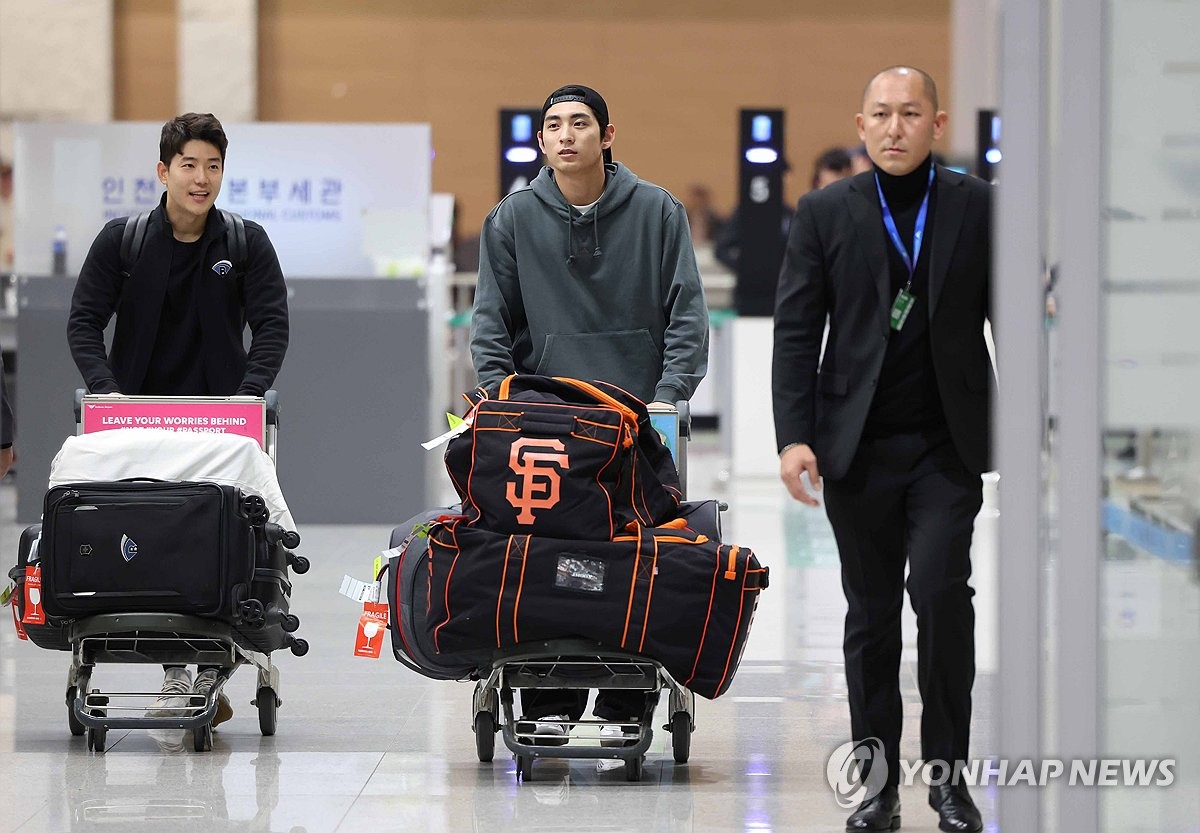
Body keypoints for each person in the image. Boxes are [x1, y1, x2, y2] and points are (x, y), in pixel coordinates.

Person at [772, 67, 992, 833]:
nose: (895, 127)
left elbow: (1013, 326)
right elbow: (798, 331)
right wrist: (794, 435)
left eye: (910, 113)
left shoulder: (978, 206)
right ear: (861, 125)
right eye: (881, 115)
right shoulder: (826, 211)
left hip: (947, 447)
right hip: (857, 447)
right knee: (870, 615)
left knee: (939, 595)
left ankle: (950, 780)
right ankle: (876, 785)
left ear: (937, 124)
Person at [471, 83, 708, 745]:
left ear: (607, 136)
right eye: (554, 125)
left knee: (631, 555)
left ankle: (628, 693)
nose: (566, 134)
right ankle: (553, 686)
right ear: (541, 141)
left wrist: (669, 394)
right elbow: (492, 322)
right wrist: (502, 397)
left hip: (637, 422)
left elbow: (687, 315)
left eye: (581, 123)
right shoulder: (511, 219)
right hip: (549, 425)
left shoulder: (659, 211)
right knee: (552, 557)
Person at [67, 112, 290, 729]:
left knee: (220, 538)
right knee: (153, 542)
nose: (202, 178)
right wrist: (107, 394)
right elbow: (84, 321)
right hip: (134, 420)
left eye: (213, 166)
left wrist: (246, 398)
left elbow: (271, 326)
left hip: (219, 425)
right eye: (189, 165)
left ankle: (206, 665)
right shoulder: (123, 241)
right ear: (163, 171)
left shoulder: (245, 243)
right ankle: (178, 670)